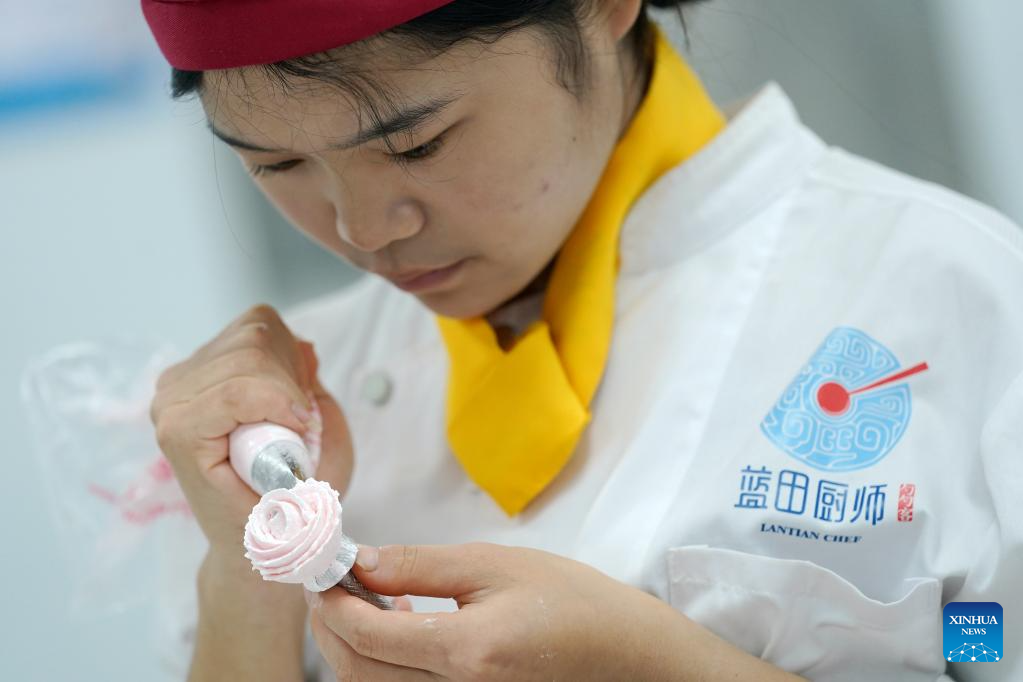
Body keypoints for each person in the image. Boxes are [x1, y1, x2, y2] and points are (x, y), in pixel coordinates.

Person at [142, 1, 1023, 680]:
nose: (363, 229)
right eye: (276, 164)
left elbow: (988, 643)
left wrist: (665, 667)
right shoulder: (286, 423)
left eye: (416, 144)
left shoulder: (947, 301)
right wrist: (245, 577)